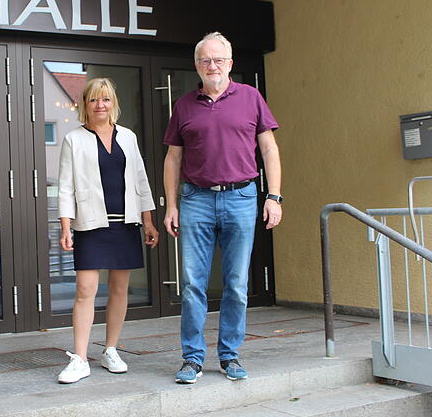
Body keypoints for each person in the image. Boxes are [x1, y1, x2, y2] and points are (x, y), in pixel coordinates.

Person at [163, 31, 282, 383]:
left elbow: (269, 150)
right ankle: (192, 359)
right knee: (193, 283)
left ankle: (229, 356)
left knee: (235, 283)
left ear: (230, 64)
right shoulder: (184, 105)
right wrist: (171, 205)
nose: (211, 66)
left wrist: (273, 196)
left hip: (242, 198)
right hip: (195, 199)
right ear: (196, 66)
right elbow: (173, 158)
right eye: (205, 60)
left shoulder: (251, 97)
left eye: (218, 60)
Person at [56, 77, 159, 384]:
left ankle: (111, 350)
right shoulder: (74, 139)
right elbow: (64, 187)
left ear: (114, 103)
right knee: (85, 290)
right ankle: (79, 358)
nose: (100, 105)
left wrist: (149, 220)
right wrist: (65, 227)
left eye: (106, 99)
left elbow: (140, 181)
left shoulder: (128, 137)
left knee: (119, 289)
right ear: (84, 105)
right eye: (94, 100)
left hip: (124, 222)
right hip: (89, 223)